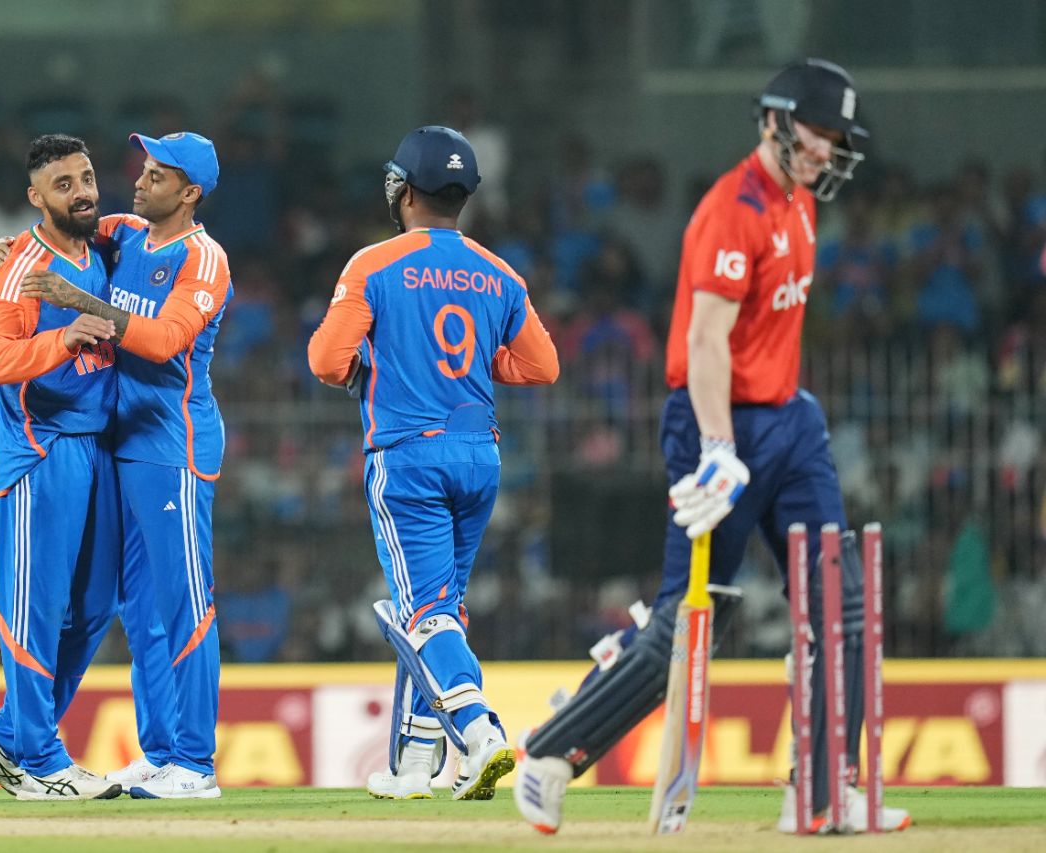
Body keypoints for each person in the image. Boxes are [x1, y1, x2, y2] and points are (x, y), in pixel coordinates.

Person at [513, 59, 912, 834]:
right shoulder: (731, 210)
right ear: (773, 119)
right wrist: (718, 447)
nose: (828, 149)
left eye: (838, 138)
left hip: (792, 422)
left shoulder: (800, 203)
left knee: (843, 607)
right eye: (819, 131)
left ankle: (824, 791)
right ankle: (553, 752)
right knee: (690, 620)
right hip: (717, 422)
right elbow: (703, 341)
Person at [308, 126, 559, 800]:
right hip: (480, 454)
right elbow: (543, 363)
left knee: (421, 614)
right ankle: (415, 764)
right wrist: (482, 366)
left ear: (405, 191)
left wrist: (373, 366)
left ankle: (480, 731)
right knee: (441, 607)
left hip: (409, 455)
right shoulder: (498, 271)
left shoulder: (372, 264)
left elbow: (326, 361)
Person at [17, 131, 232, 799]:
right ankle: (162, 749)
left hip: (173, 444)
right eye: (144, 166)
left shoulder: (204, 259)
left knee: (186, 603)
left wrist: (80, 301)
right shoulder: (127, 234)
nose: (140, 179)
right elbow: (63, 229)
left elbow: (166, 341)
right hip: (122, 442)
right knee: (140, 609)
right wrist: (16, 247)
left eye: (159, 174)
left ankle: (196, 764)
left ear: (189, 192)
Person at [0, 134, 123, 800]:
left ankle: (8, 737)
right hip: (42, 446)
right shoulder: (21, 266)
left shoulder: (97, 250)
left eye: (86, 177)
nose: (81, 191)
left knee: (94, 604)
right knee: (36, 607)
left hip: (95, 445)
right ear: (35, 197)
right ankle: (43, 761)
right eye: (64, 184)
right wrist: (63, 336)